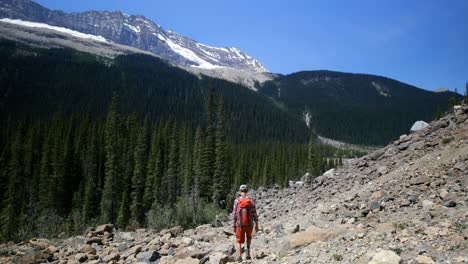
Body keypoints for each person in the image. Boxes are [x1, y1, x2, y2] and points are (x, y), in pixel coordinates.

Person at [232, 184, 259, 262]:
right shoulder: (250, 200)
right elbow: (254, 213)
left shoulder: (237, 201)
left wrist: (234, 224)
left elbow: (234, 214)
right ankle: (248, 253)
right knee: (249, 237)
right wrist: (256, 224)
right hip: (249, 224)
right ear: (246, 191)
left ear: (240, 191)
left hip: (240, 224)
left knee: (238, 240)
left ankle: (239, 256)